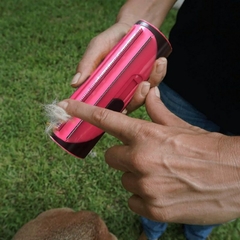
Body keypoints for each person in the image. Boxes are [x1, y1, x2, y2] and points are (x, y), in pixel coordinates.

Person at [58, 0, 240, 239]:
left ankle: (197, 233)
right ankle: (151, 231)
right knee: (158, 176)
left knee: (214, 198)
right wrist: (132, 27)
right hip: (187, 78)